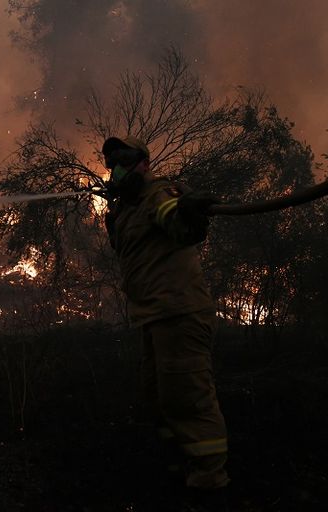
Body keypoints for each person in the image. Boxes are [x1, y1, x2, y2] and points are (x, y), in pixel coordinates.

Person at [102, 136, 229, 511]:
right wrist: (115, 218)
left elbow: (180, 225)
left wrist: (189, 211)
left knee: (187, 399)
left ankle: (210, 488)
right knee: (158, 397)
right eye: (112, 162)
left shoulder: (159, 193)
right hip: (155, 317)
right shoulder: (127, 209)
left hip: (179, 314)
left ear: (143, 163)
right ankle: (179, 473)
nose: (117, 167)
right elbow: (130, 248)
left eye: (124, 158)